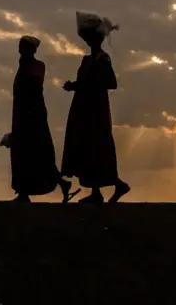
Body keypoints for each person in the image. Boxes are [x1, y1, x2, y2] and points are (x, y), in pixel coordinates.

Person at [60, 12, 131, 204]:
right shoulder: (88, 60)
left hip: (95, 110)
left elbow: (111, 83)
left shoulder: (102, 59)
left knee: (97, 147)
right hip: (85, 108)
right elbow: (86, 82)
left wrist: (83, 85)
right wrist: (75, 85)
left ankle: (115, 186)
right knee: (88, 148)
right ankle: (97, 192)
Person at [9, 35, 75, 203]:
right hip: (22, 113)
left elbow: (34, 88)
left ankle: (33, 189)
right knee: (25, 152)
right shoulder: (23, 66)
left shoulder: (36, 66)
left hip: (33, 114)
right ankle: (24, 191)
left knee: (37, 151)